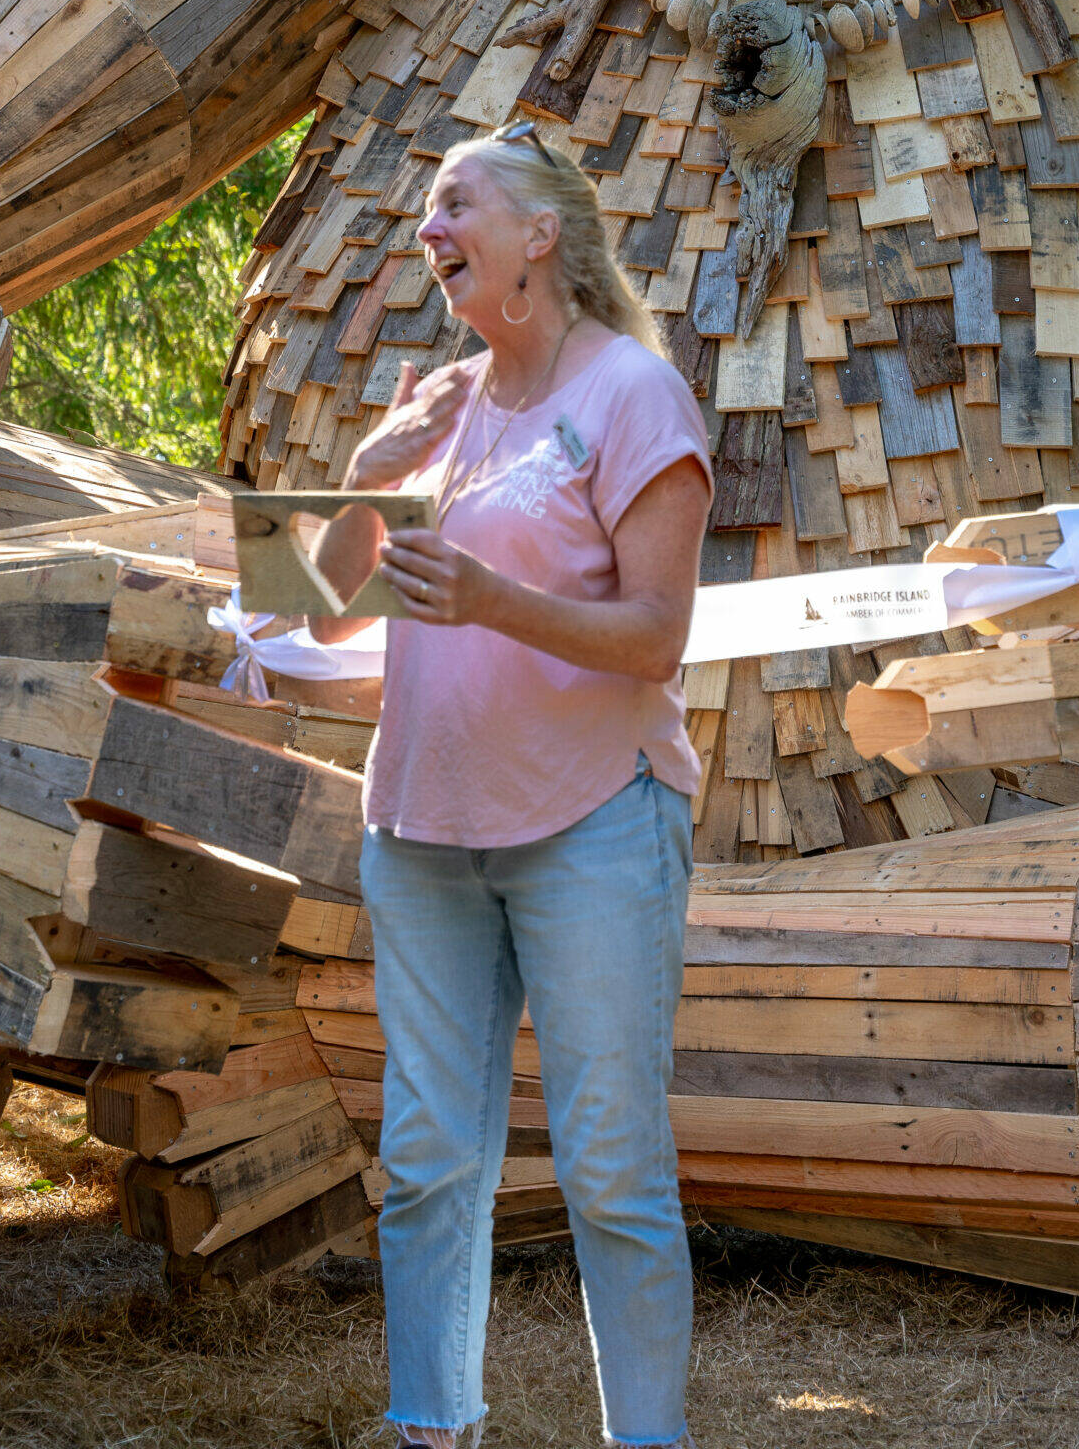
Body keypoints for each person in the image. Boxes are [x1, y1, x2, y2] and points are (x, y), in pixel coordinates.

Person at [307, 119, 714, 1449]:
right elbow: (318, 613)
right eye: (429, 213)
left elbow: (656, 634)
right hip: (422, 829)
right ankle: (433, 1426)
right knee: (427, 1164)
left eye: (455, 204)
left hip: (594, 820)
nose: (432, 231)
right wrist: (370, 474)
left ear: (542, 235)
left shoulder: (632, 397)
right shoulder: (445, 405)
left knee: (609, 1174)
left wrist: (491, 598)